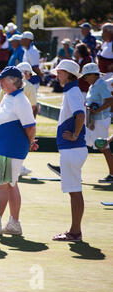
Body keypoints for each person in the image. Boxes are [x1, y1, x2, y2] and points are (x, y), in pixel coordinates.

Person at [0, 66, 37, 236]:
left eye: (3, 79)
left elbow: (30, 126)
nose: (0, 82)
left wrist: (29, 143)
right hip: (5, 148)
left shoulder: (20, 100)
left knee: (3, 185)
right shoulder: (10, 97)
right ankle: (13, 223)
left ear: (13, 80)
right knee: (9, 184)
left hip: (10, 149)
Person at [50, 60, 87, 242]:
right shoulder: (72, 91)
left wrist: (74, 135)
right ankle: (75, 231)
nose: (57, 75)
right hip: (73, 149)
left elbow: (80, 114)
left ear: (68, 74)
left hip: (73, 148)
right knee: (75, 191)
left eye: (60, 72)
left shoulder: (72, 91)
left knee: (75, 191)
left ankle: (74, 232)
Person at [80, 62, 113, 182]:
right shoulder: (93, 85)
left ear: (93, 74)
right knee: (86, 143)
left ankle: (112, 175)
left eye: (86, 76)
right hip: (93, 120)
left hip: (101, 120)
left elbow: (110, 101)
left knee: (104, 147)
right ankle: (72, 170)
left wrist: (97, 110)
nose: (85, 79)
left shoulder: (100, 84)